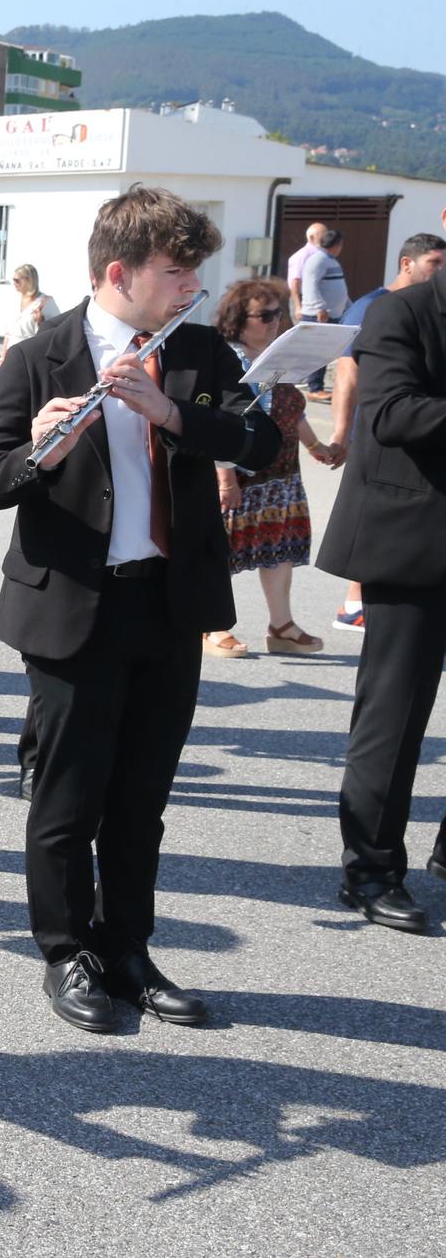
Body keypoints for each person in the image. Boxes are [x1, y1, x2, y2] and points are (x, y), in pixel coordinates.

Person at [0, 185, 279, 1034]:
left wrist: (173, 413)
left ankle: (128, 948)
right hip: (73, 607)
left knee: (143, 798)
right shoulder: (39, 358)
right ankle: (67, 953)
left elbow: (263, 440)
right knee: (68, 799)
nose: (189, 289)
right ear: (118, 272)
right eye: (175, 273)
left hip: (169, 603)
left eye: (193, 274)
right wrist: (38, 446)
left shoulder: (201, 351)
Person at [314, 239, 446, 934]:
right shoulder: (400, 313)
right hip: (414, 540)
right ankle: (370, 870)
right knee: (393, 720)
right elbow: (391, 414)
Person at [204, 279, 333, 659]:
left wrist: (316, 445)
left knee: (280, 549)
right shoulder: (228, 359)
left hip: (282, 474)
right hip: (240, 473)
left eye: (279, 313)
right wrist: (225, 478)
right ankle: (212, 625)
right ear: (238, 320)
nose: (275, 321)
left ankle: (282, 626)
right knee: (221, 552)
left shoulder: (283, 355)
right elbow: (219, 423)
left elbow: (295, 409)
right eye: (265, 315)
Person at [326, 231, 446, 632]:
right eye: (433, 262)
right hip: (384, 450)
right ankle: (354, 603)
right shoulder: (377, 307)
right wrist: (342, 432)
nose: (438, 270)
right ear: (406, 263)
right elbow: (347, 372)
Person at [299, 228, 350, 400]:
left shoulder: (331, 261)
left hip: (332, 314)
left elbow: (339, 287)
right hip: (320, 315)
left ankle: (316, 385)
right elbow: (310, 286)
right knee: (318, 351)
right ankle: (314, 388)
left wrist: (349, 305)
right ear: (337, 245)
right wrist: (319, 308)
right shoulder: (317, 260)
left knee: (325, 351)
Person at [1, 263, 60, 360]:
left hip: (31, 355)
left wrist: (41, 321)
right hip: (11, 356)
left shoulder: (45, 302)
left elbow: (54, 331)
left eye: (17, 280)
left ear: (29, 280)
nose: (14, 283)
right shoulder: (15, 300)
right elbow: (8, 334)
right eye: (13, 280)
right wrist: (2, 357)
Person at [285, 221, 328, 319]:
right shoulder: (302, 256)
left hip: (319, 300)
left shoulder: (323, 254)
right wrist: (298, 306)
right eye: (323, 235)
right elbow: (295, 282)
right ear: (311, 237)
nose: (326, 238)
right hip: (303, 299)